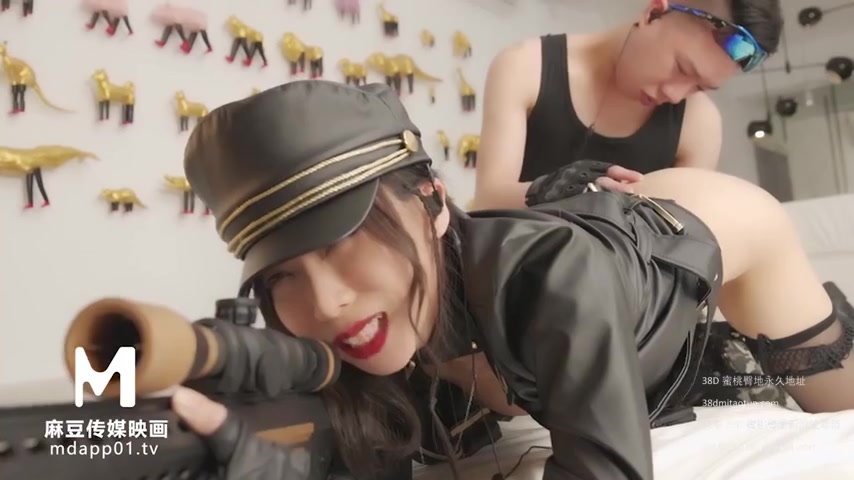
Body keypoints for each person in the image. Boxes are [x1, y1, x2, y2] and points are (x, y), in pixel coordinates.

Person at [170, 80, 854, 480]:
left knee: (839, 400)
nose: (326, 302)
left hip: (714, 225)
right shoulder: (354, 322)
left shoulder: (550, 276)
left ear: (434, 201)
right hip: (552, 273)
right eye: (283, 274)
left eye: (346, 240)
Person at [472, 0, 783, 210]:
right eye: (681, 68)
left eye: (699, 87)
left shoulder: (699, 123)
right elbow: (488, 201)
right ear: (654, 13)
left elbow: (680, 238)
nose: (675, 94)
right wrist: (563, 189)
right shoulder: (525, 67)